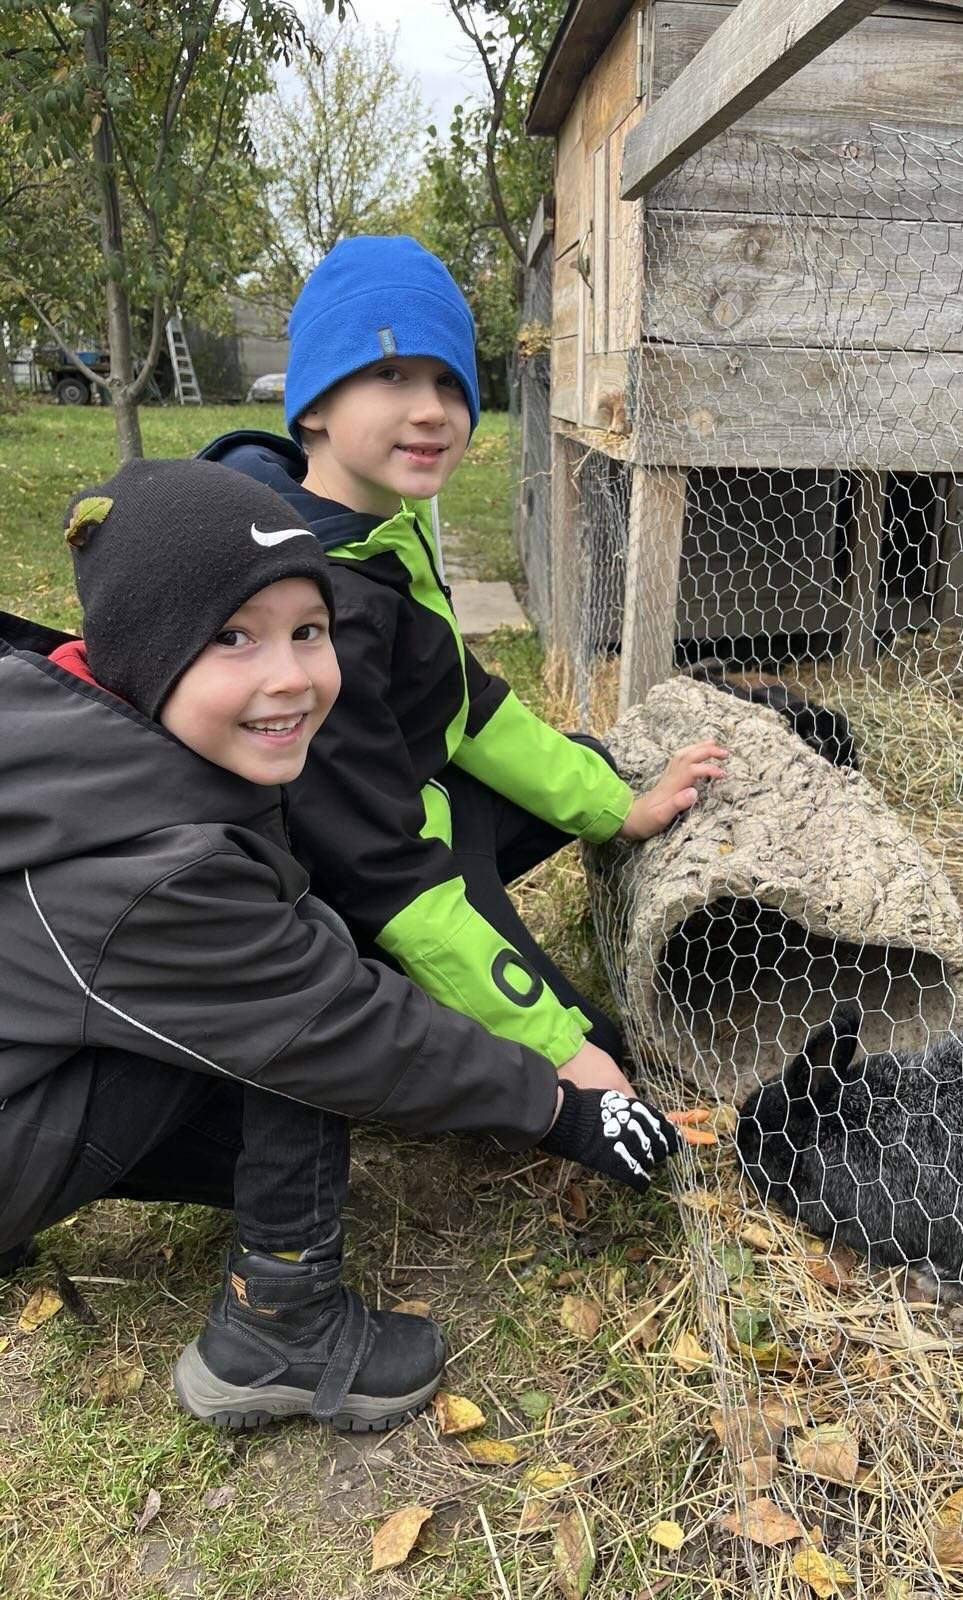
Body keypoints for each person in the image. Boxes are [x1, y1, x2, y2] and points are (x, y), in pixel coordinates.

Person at [0, 458, 680, 1433]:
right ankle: (278, 1325)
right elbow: (334, 1023)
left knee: (299, 996)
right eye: (232, 636)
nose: (289, 675)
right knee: (308, 984)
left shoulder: (74, 741)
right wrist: (559, 1107)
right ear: (145, 651)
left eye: (308, 631)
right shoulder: (156, 870)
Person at [199, 235, 727, 1097]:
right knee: (599, 1060)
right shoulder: (312, 610)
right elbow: (381, 871)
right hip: (350, 890)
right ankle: (390, 995)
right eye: (391, 374)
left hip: (420, 810)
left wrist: (620, 810)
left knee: (590, 767)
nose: (433, 410)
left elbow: (463, 704)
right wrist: (558, 1048)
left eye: (450, 381)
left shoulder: (380, 529)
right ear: (315, 404)